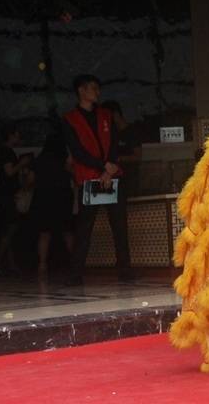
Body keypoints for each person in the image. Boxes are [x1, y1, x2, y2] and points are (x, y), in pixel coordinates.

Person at [63, 74, 133, 285]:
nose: (97, 92)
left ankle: (125, 270)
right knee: (84, 228)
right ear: (81, 91)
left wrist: (109, 169)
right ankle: (76, 274)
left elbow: (113, 143)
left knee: (119, 225)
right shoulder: (69, 119)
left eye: (97, 88)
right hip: (89, 178)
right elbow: (77, 151)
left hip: (111, 176)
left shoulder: (106, 115)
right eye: (93, 88)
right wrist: (102, 167)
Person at [31, 130, 75, 277]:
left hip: (43, 197)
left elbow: (30, 180)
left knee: (44, 233)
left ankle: (42, 264)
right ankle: (77, 262)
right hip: (62, 196)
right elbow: (74, 175)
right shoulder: (64, 159)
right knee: (67, 231)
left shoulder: (39, 159)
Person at [0, 122, 32, 275]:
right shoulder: (6, 152)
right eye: (17, 134)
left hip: (5, 195)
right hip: (8, 196)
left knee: (8, 230)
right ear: (11, 135)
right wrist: (21, 164)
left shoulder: (4, 151)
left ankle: (10, 263)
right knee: (10, 229)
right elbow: (9, 172)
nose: (19, 136)